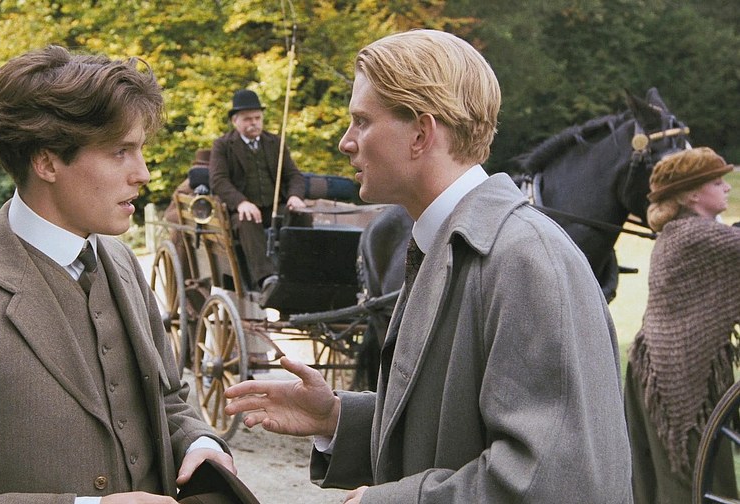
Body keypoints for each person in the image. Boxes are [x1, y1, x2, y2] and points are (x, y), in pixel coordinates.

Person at [225, 29, 633, 503]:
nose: (345, 142)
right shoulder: (447, 243)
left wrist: (384, 501)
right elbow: (452, 427)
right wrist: (337, 419)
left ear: (421, 133)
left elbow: (553, 481)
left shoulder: (526, 261)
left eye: (362, 121)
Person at [0, 45, 237, 503]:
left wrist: (201, 443)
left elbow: (168, 402)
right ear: (46, 162)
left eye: (140, 150)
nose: (143, 173)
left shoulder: (121, 262)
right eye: (120, 151)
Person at [624, 146, 740, 503]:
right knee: (689, 482)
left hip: (663, 371)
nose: (727, 187)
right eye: (717, 182)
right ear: (692, 195)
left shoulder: (682, 232)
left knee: (670, 483)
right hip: (678, 381)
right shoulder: (694, 237)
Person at [208, 89, 307, 291]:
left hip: (274, 208)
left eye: (257, 118)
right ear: (235, 121)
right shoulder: (223, 145)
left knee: (302, 216)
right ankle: (266, 278)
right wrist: (241, 203)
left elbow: (294, 175)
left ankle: (300, 272)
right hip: (241, 212)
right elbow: (218, 181)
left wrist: (295, 196)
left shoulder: (275, 142)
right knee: (248, 219)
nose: (254, 123)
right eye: (247, 119)